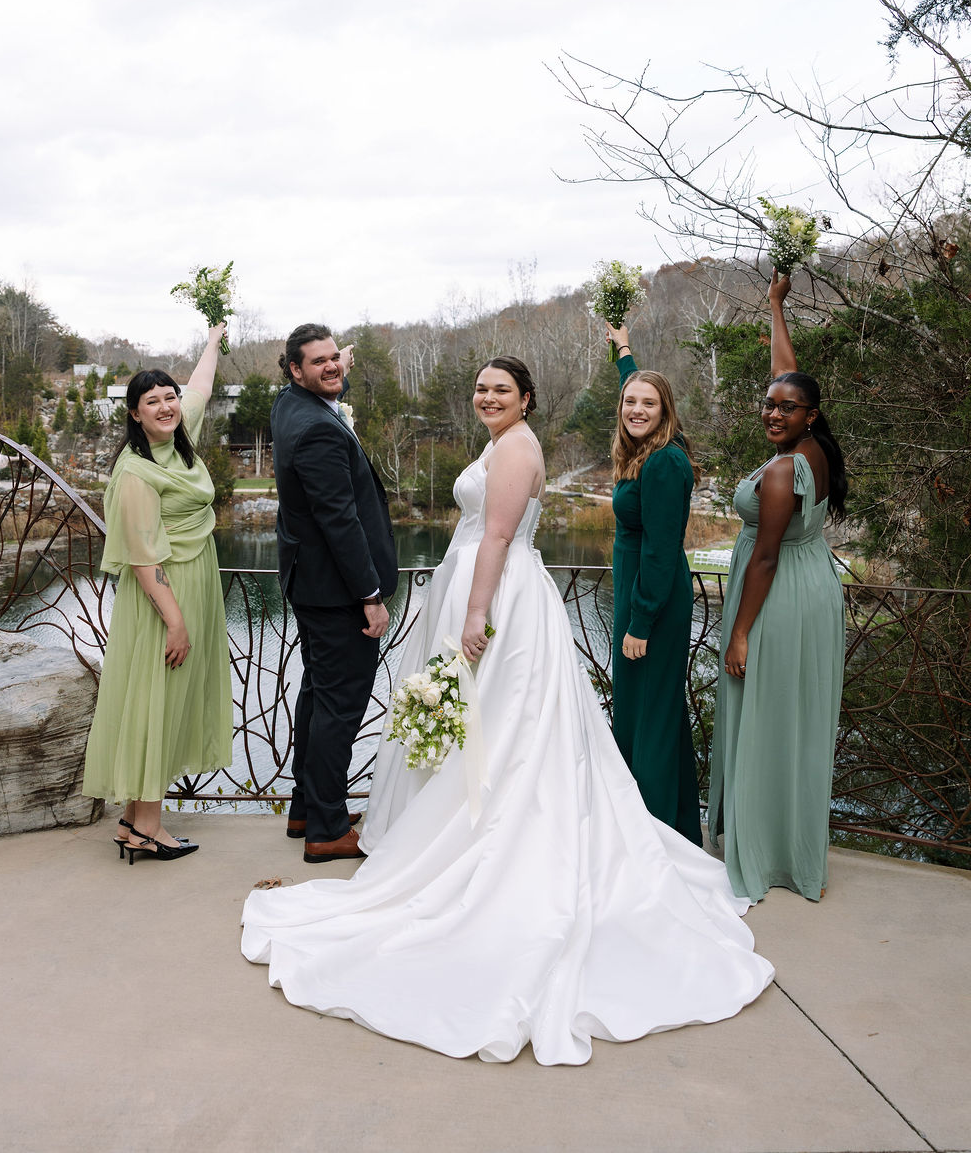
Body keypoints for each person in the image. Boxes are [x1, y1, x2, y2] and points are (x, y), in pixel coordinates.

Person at [242, 357, 773, 1065]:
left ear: (527, 398)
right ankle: (459, 828)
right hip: (484, 590)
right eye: (481, 386)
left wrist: (476, 613)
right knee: (483, 728)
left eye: (502, 389)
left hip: (503, 602)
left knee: (508, 727)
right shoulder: (501, 442)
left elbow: (495, 536)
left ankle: (491, 845)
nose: (488, 396)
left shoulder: (518, 447)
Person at [707, 272, 848, 903]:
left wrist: (739, 633)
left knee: (765, 716)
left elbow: (762, 560)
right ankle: (791, 845)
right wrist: (775, 306)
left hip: (776, 595)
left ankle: (764, 855)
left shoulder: (783, 469)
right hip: (813, 587)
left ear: (809, 414)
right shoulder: (815, 444)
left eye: (784, 407)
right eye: (768, 404)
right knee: (795, 716)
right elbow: (787, 374)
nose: (772, 412)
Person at [82, 325, 233, 863]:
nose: (167, 406)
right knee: (156, 704)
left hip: (195, 583)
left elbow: (201, 387)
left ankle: (130, 822)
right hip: (163, 600)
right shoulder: (136, 473)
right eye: (153, 402)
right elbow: (144, 559)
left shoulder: (176, 434)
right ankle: (148, 827)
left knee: (168, 703)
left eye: (169, 398)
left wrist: (214, 337)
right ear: (134, 414)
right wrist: (175, 621)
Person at [270, 325, 398, 862]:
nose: (332, 367)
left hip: (311, 582)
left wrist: (333, 367)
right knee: (339, 710)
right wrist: (369, 593)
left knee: (318, 696)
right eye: (318, 362)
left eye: (335, 359)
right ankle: (325, 828)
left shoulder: (289, 406)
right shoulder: (318, 430)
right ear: (294, 370)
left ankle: (305, 806)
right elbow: (339, 520)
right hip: (338, 590)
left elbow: (324, 378)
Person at [605, 322, 703, 845]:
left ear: (666, 411)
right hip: (639, 598)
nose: (636, 410)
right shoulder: (657, 448)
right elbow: (636, 387)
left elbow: (663, 552)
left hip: (653, 604)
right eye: (630, 402)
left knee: (652, 713)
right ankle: (669, 825)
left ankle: (655, 834)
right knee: (644, 709)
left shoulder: (665, 463)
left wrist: (641, 621)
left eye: (649, 403)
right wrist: (623, 352)